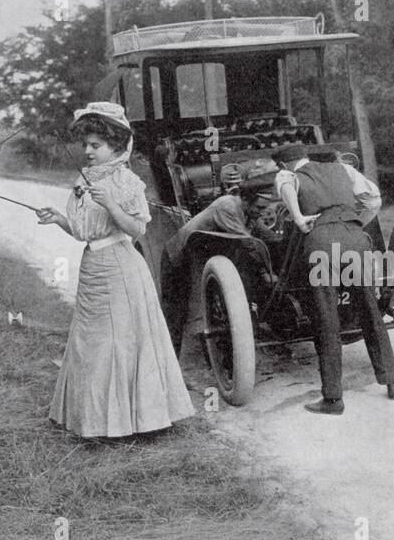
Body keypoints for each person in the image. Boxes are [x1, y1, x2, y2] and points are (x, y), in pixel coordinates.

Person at [39, 101, 194, 438]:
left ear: (116, 147)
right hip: (93, 268)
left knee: (120, 344)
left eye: (96, 146)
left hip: (122, 269)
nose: (88, 152)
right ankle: (95, 421)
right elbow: (83, 232)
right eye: (85, 145)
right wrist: (59, 219)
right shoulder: (83, 182)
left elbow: (137, 229)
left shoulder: (126, 182)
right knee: (91, 345)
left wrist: (110, 203)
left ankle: (136, 422)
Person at [273, 142, 394, 415]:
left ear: (285, 163)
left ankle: (333, 399)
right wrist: (356, 221)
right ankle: (392, 382)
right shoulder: (342, 168)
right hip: (355, 240)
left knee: (326, 317)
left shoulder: (289, 174)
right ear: (305, 156)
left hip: (321, 242)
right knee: (370, 309)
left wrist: (298, 218)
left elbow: (284, 183)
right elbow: (374, 198)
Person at [159, 160, 279, 348]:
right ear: (246, 200)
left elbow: (264, 234)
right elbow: (249, 244)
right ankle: (168, 368)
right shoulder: (228, 206)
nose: (261, 213)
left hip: (196, 256)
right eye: (259, 209)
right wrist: (268, 272)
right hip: (177, 258)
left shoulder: (248, 211)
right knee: (175, 316)